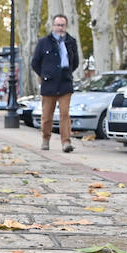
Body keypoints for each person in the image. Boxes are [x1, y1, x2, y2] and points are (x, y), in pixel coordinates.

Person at [30, 13, 80, 152]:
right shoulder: (44, 42)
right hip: (49, 84)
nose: (60, 28)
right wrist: (43, 74)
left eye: (62, 25)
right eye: (58, 25)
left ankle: (66, 142)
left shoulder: (71, 42)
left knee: (65, 114)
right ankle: (45, 140)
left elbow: (75, 62)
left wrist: (68, 72)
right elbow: (35, 62)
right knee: (47, 115)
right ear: (53, 26)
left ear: (66, 26)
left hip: (65, 83)